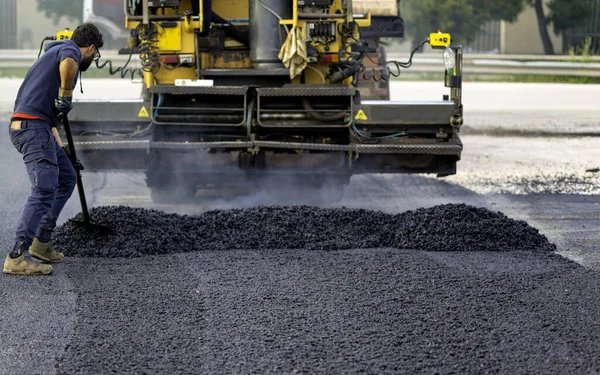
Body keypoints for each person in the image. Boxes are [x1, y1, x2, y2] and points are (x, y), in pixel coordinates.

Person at [3, 24, 103, 275]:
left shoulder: (52, 55)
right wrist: (66, 95)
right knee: (44, 188)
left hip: (39, 127)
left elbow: (52, 121)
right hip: (31, 128)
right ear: (91, 48)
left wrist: (66, 153)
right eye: (95, 53)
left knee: (67, 176)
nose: (93, 57)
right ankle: (16, 257)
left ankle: (42, 243)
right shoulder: (69, 50)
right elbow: (71, 60)